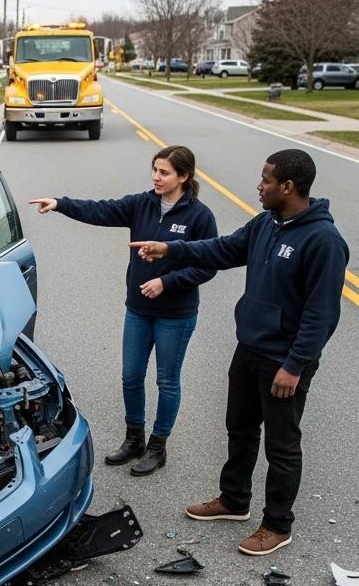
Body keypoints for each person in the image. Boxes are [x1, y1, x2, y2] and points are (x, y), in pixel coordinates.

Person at [130, 149, 348, 556]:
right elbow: (223, 249)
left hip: (284, 361)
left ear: (288, 186)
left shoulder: (323, 240)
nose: (258, 186)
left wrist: (295, 365)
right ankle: (234, 500)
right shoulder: (267, 223)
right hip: (249, 347)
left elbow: (322, 314)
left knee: (281, 446)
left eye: (266, 180)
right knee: (240, 429)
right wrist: (170, 249)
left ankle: (278, 524)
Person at [28, 145, 218, 477]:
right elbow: (101, 210)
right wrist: (60, 205)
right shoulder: (141, 204)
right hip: (139, 309)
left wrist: (167, 282)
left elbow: (208, 266)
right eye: (155, 170)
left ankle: (158, 447)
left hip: (176, 313)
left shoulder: (200, 217)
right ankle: (134, 438)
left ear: (184, 177)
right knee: (131, 376)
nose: (157, 177)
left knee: (167, 381)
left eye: (165, 172)